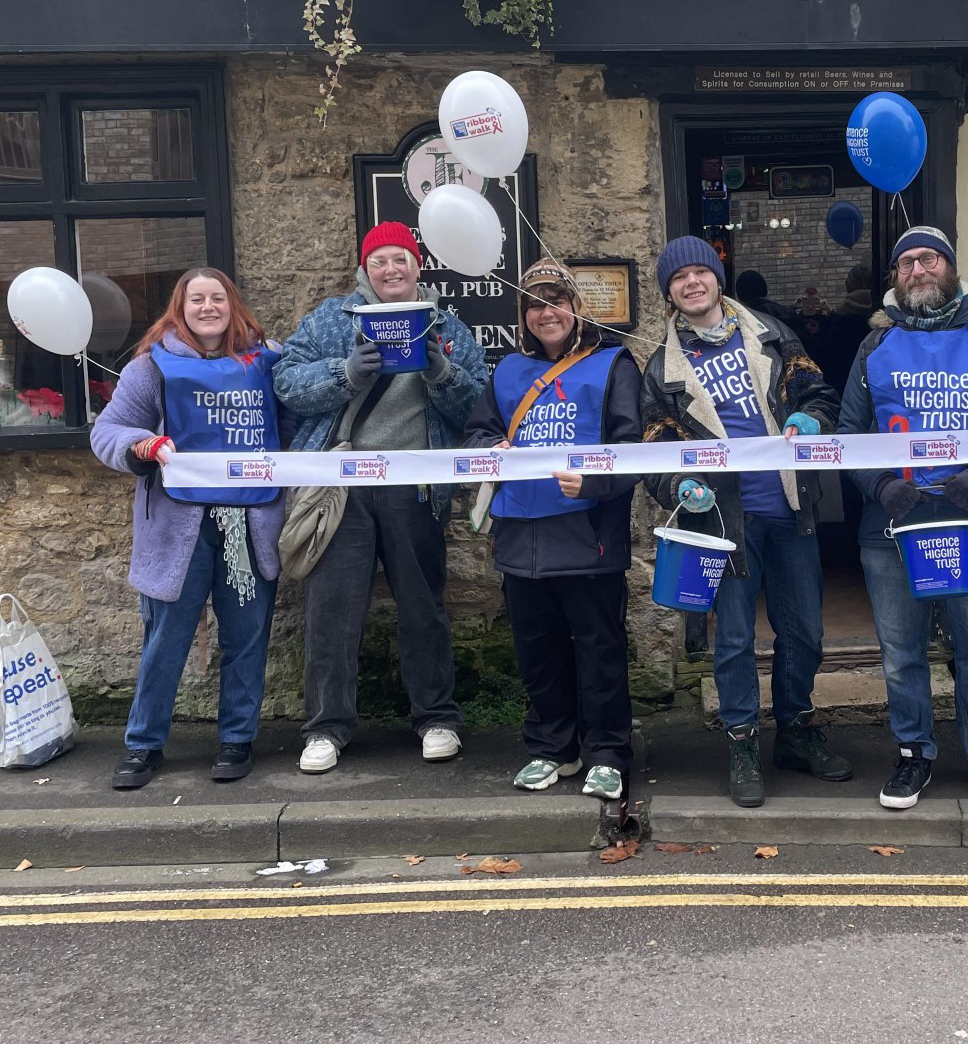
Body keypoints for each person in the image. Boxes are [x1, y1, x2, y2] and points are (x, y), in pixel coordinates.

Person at [640, 235, 850, 808]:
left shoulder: (773, 335)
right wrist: (677, 485)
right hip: (724, 522)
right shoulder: (662, 369)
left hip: (788, 509)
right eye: (678, 279)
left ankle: (797, 733)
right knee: (733, 639)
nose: (691, 284)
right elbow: (656, 445)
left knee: (804, 629)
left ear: (716, 278)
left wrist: (808, 419)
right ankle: (741, 743)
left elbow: (819, 392)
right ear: (669, 294)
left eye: (699, 273)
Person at [273, 221, 489, 774]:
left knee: (423, 608)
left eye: (400, 260)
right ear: (364, 270)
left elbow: (478, 409)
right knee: (332, 611)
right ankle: (326, 727)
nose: (390, 270)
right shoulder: (331, 319)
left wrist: (442, 372)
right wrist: (342, 372)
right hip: (342, 487)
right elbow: (287, 382)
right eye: (379, 262)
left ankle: (436, 718)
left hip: (415, 487)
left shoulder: (445, 325)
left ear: (418, 268)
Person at [839, 225, 968, 811]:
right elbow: (850, 432)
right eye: (906, 264)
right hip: (890, 527)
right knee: (901, 650)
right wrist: (879, 485)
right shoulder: (873, 346)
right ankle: (913, 753)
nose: (918, 269)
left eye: (929, 259)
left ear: (950, 268)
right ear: (896, 278)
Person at [91, 269, 285, 789]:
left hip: (249, 519)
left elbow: (298, 417)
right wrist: (141, 445)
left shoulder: (268, 360)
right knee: (165, 639)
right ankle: (143, 745)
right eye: (196, 299)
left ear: (232, 304)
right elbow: (106, 430)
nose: (207, 307)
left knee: (246, 637)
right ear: (181, 306)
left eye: (217, 298)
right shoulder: (152, 366)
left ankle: (237, 739)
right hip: (180, 524)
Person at [462, 258, 641, 801]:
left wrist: (592, 484)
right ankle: (552, 748)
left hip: (588, 536)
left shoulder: (614, 364)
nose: (547, 312)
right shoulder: (507, 371)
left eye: (556, 300)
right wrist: (487, 452)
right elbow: (477, 434)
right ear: (523, 316)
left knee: (599, 649)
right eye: (535, 304)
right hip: (521, 540)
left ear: (576, 307)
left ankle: (607, 752)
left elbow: (631, 449)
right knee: (537, 652)